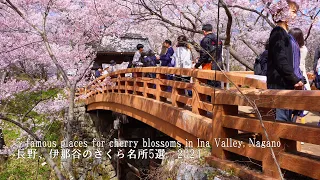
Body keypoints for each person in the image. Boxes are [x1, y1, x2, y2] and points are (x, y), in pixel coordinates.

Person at [267, 0, 305, 122]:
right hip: (279, 85)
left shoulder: (285, 34)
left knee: (285, 121)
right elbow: (281, 60)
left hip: (286, 84)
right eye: (293, 12)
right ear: (283, 11)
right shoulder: (278, 32)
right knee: (281, 123)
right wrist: (294, 79)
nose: (295, 15)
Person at [195, 24, 223, 88]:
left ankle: (209, 98)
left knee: (209, 86)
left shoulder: (205, 40)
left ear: (204, 31)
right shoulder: (218, 39)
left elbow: (204, 55)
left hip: (209, 65)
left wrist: (197, 65)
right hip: (218, 64)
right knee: (217, 84)